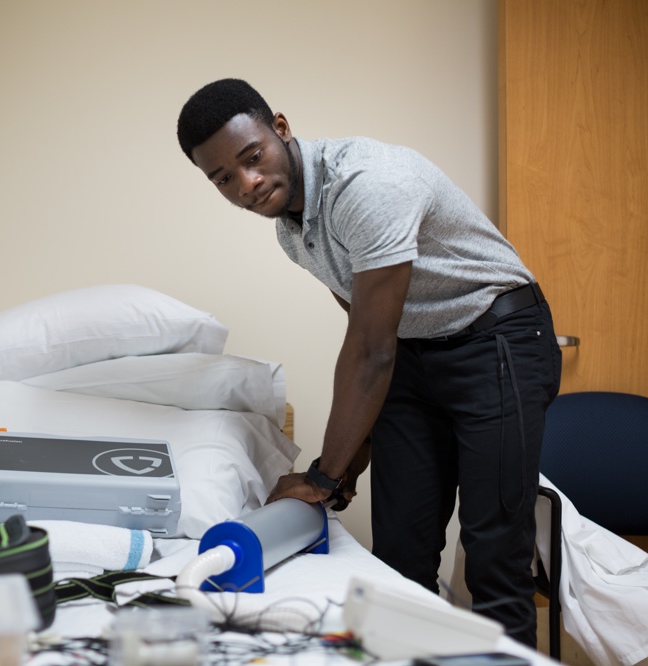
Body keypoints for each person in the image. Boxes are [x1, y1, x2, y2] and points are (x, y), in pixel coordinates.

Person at [176, 78, 561, 647]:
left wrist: (322, 475)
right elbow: (373, 330)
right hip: (414, 351)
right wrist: (346, 471)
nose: (247, 184)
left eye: (252, 158)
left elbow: (370, 352)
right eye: (223, 178)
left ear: (280, 127)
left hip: (495, 340)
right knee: (401, 556)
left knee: (493, 558)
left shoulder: (366, 184)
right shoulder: (293, 230)